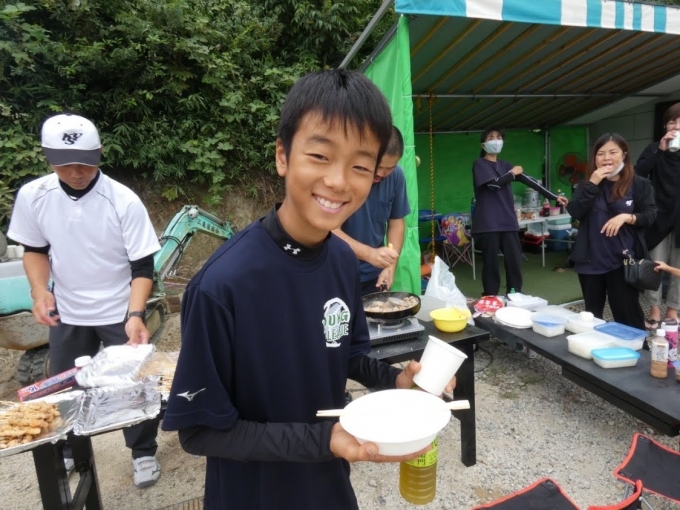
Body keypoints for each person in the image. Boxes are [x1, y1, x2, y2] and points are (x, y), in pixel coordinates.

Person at [161, 69, 457, 510]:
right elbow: (199, 431)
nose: (339, 181)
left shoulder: (341, 259)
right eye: (320, 155)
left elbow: (348, 355)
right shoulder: (221, 285)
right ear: (283, 156)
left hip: (329, 485)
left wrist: (396, 380)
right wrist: (322, 439)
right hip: (252, 496)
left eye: (360, 166)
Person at [7, 113, 162, 488]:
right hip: (69, 311)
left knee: (133, 386)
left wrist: (135, 313)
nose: (76, 172)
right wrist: (39, 290)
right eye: (65, 164)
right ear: (47, 156)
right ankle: (68, 448)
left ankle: (142, 452)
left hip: (119, 309)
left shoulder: (122, 200)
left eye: (85, 163)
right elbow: (35, 249)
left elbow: (142, 266)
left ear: (99, 153)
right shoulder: (34, 196)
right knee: (65, 387)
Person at [566, 133, 656, 331]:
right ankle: (593, 349)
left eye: (613, 152)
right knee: (592, 318)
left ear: (624, 155)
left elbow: (650, 215)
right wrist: (592, 184)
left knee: (628, 318)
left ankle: (639, 349)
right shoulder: (586, 184)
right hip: (590, 260)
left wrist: (626, 217)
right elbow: (575, 212)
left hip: (623, 261)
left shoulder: (639, 184)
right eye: (601, 153)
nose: (606, 158)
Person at [471, 127, 567, 297]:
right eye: (491, 138)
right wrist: (511, 174)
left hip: (508, 222)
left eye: (499, 137)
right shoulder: (479, 164)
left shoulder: (505, 164)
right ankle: (490, 296)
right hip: (488, 223)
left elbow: (530, 181)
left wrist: (554, 196)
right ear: (483, 144)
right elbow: (493, 184)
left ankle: (514, 293)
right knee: (491, 263)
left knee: (514, 260)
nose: (496, 141)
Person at [334, 126, 410, 295]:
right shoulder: (343, 177)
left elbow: (396, 224)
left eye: (390, 168)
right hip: (336, 271)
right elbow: (330, 230)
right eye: (379, 166)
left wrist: (389, 268)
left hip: (374, 276)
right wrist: (369, 254)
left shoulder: (396, 176)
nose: (382, 173)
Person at [635, 102, 680, 331]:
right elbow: (638, 174)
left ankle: (673, 311)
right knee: (654, 265)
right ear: (665, 126)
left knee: (678, 267)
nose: (676, 127)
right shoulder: (654, 149)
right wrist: (660, 150)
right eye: (672, 122)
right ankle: (654, 310)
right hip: (658, 217)